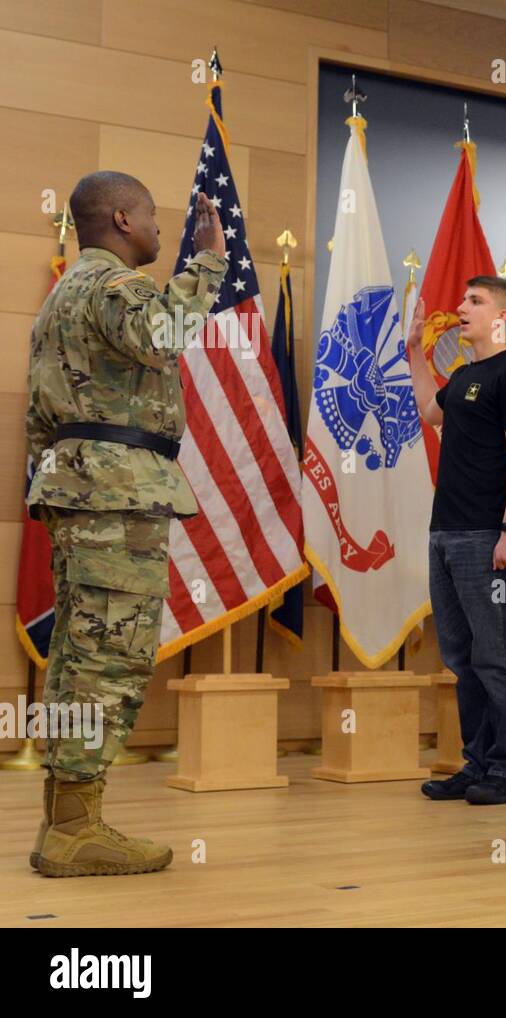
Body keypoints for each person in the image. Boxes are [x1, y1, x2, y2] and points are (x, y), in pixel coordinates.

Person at [26, 171, 229, 877]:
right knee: (110, 654)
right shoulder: (114, 286)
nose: (160, 230)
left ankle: (67, 822)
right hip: (115, 496)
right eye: (151, 217)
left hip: (85, 491)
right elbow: (165, 335)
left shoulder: (63, 294)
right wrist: (208, 263)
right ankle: (76, 829)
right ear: (120, 218)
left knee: (79, 656)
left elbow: (38, 415)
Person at [408, 276, 506, 806]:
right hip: (446, 532)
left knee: (494, 654)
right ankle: (478, 762)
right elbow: (429, 411)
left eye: (474, 301)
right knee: (462, 656)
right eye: (463, 298)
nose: (460, 307)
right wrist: (415, 353)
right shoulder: (464, 375)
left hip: (488, 534)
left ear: (501, 318)